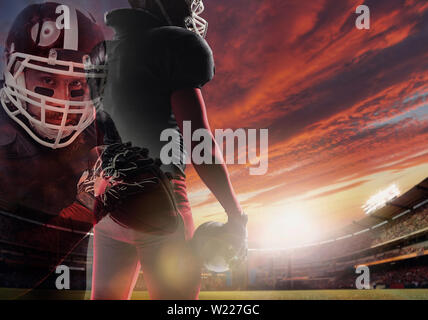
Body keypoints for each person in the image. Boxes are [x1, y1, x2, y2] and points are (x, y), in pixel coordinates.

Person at [89, 0, 247, 300]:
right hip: (160, 204)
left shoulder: (102, 54)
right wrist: (235, 212)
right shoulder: (174, 45)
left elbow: (100, 139)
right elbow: (199, 141)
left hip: (108, 205)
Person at [0, 2, 119, 298]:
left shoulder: (102, 132)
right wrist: (85, 208)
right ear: (16, 73)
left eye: (77, 84)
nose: (62, 101)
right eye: (48, 79)